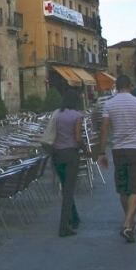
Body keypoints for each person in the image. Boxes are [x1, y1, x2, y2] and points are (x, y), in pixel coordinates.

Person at [97, 74, 136, 244]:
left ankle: (131, 222)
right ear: (130, 85)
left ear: (117, 86)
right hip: (135, 149)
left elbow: (104, 129)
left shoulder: (109, 104)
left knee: (123, 188)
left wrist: (102, 152)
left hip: (118, 150)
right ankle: (127, 224)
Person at [46, 88, 88, 237]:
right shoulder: (77, 115)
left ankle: (74, 217)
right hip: (71, 154)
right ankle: (64, 226)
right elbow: (78, 138)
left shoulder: (57, 114)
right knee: (69, 190)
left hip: (57, 154)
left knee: (66, 187)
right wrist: (86, 150)